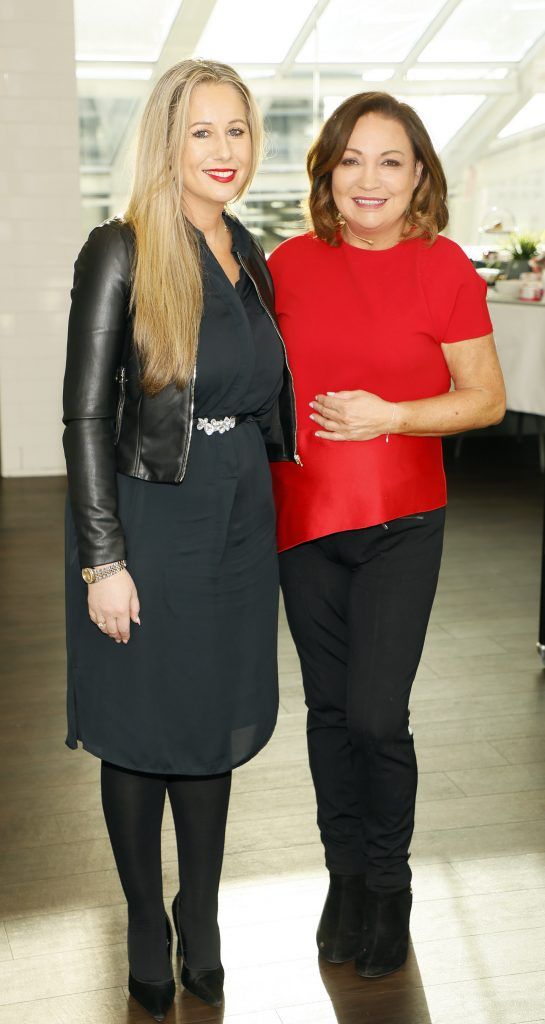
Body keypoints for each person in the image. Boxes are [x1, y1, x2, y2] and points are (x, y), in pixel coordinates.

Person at [63, 59, 298, 1020]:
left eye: (236, 131)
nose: (223, 151)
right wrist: (103, 558)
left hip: (240, 512)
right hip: (150, 515)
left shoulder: (252, 252)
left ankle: (197, 915)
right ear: (167, 141)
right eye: (201, 132)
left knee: (208, 723)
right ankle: (143, 924)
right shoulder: (118, 249)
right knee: (146, 722)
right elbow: (84, 415)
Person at [268, 92, 505, 980]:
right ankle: (344, 878)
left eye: (390, 161)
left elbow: (483, 398)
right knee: (327, 715)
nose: (369, 179)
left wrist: (392, 415)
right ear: (327, 171)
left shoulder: (442, 266)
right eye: (352, 159)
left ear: (418, 177)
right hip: (301, 520)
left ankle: (389, 880)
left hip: (402, 522)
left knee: (375, 715)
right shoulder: (285, 264)